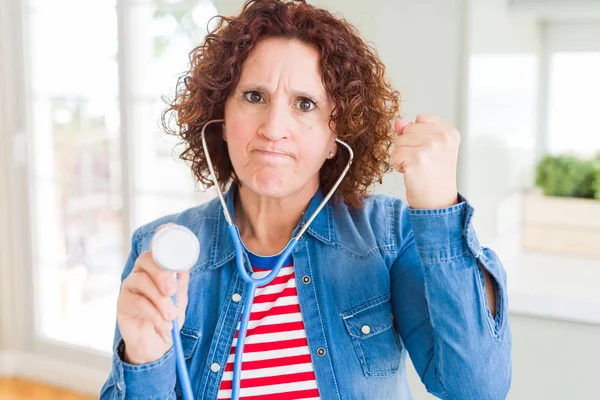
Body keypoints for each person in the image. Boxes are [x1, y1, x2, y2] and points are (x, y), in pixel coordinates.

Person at [99, 0, 512, 399]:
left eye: (305, 104)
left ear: (336, 138)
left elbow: (475, 388)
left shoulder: (390, 236)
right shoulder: (161, 250)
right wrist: (144, 357)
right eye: (254, 97)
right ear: (222, 119)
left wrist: (439, 211)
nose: (274, 128)